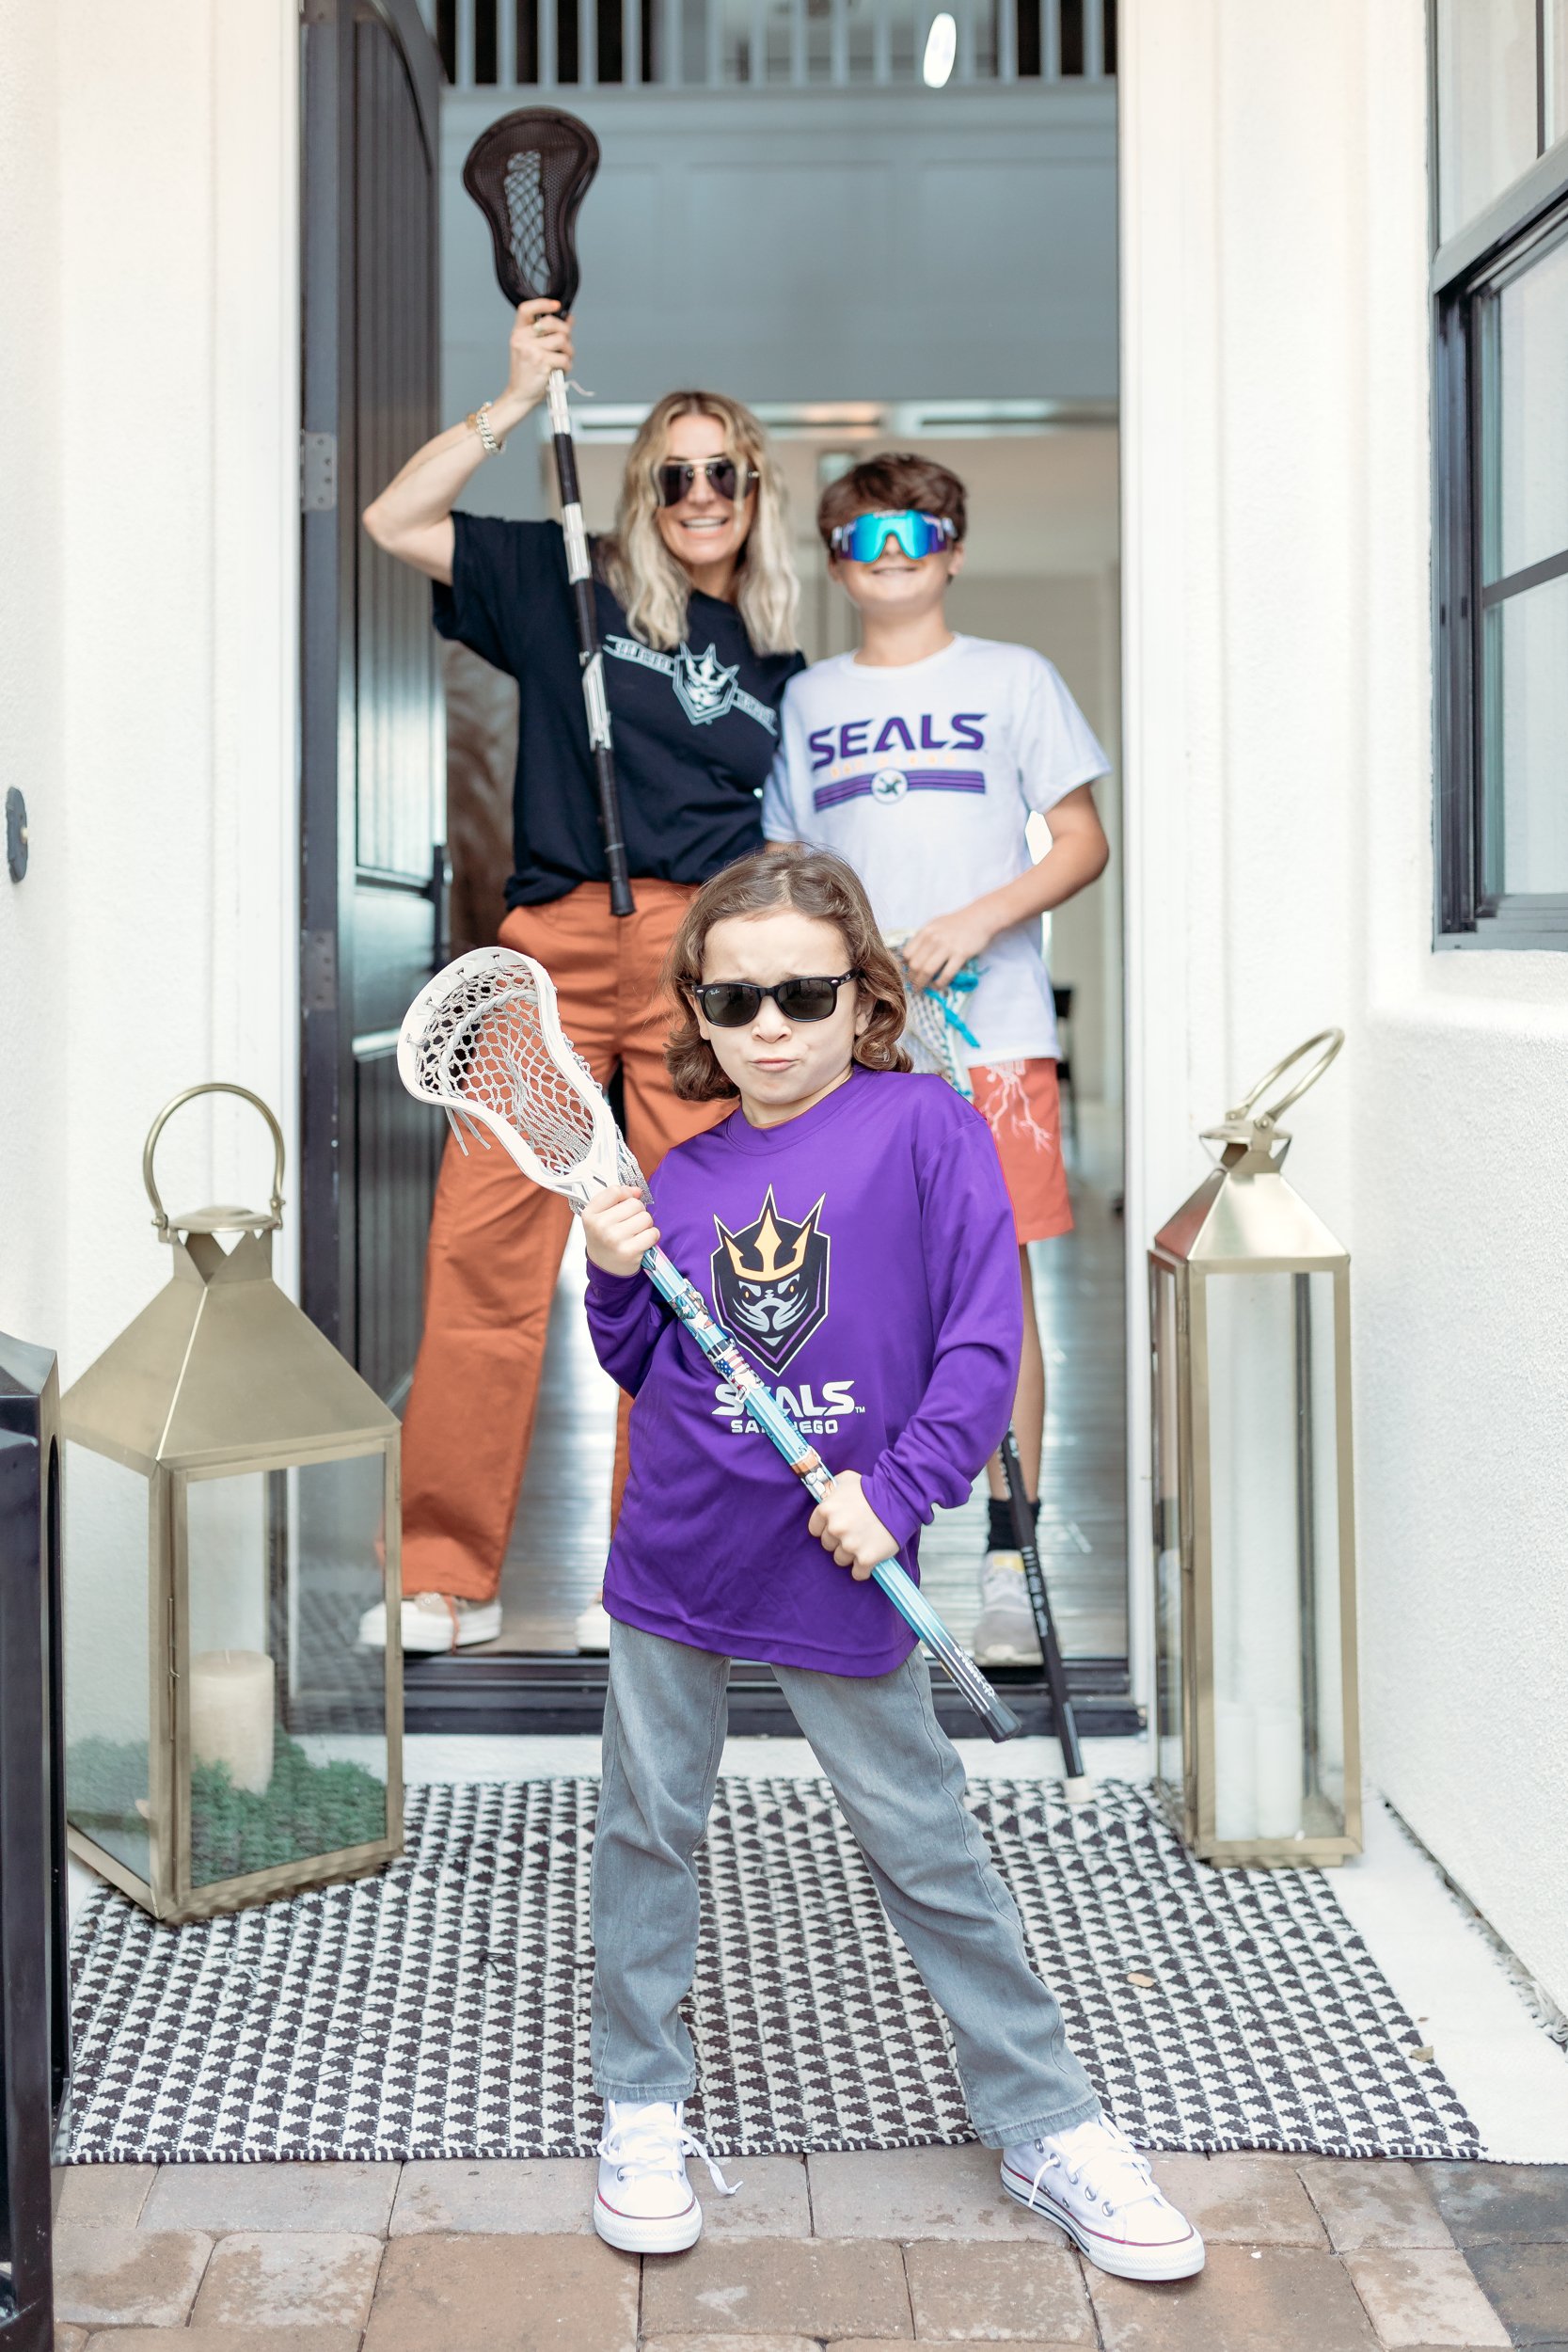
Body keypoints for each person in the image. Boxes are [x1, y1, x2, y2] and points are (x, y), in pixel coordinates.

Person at [577, 845, 1201, 2283]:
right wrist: (614, 1276)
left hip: (844, 1554)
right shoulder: (687, 1168)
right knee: (648, 1830)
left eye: (803, 991)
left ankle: (1046, 2118)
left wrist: (900, 1492)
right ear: (699, 1012)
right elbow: (647, 1366)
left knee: (924, 1841)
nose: (770, 1026)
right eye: (735, 1002)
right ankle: (644, 2099)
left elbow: (982, 1348)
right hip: (679, 1547)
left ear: (862, 996)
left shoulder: (928, 1128)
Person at [357, 299, 804, 1650]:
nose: (701, 493)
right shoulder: (572, 585)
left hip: (700, 966)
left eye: (724, 469)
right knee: (487, 1251)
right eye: (675, 471)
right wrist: (507, 399)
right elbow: (393, 519)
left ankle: (654, 1578)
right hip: (550, 954)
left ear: (755, 487)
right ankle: (444, 1574)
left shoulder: (779, 658)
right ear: (640, 489)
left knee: (682, 1264)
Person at [761, 453, 1109, 1670]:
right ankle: (871, 1543)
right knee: (856, 1295)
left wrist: (974, 921)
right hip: (858, 1045)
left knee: (996, 1294)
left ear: (954, 547)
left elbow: (1080, 840)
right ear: (837, 559)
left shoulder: (1015, 680)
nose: (891, 549)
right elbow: (793, 868)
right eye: (861, 535)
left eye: (916, 529)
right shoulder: (809, 701)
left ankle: (1011, 1564)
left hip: (995, 1036)